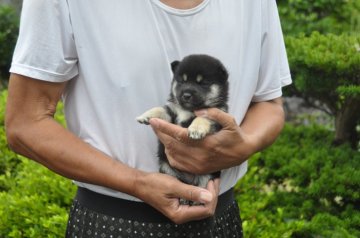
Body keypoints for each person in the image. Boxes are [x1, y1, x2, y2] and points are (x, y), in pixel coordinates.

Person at [5, 0, 291, 237]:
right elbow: (26, 123)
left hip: (220, 220)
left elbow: (268, 103)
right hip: (113, 222)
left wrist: (243, 146)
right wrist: (137, 182)